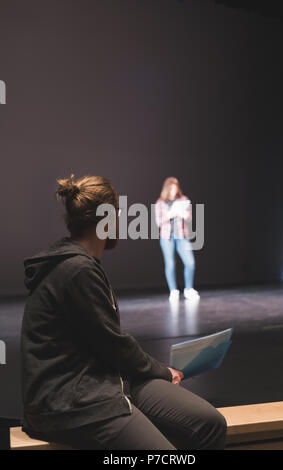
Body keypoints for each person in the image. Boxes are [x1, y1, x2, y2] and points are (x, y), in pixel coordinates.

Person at [21, 174, 226, 450]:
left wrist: (156, 372)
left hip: (105, 378)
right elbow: (112, 344)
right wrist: (163, 371)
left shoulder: (82, 263)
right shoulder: (76, 270)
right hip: (72, 401)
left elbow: (107, 344)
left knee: (210, 422)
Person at [155, 177, 200, 301]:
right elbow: (158, 222)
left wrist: (183, 214)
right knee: (170, 264)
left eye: (175, 187)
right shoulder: (160, 202)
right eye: (171, 188)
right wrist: (171, 214)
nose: (174, 190)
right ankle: (173, 291)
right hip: (167, 236)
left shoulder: (183, 200)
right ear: (167, 189)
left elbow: (189, 218)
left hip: (181, 235)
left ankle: (189, 289)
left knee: (190, 263)